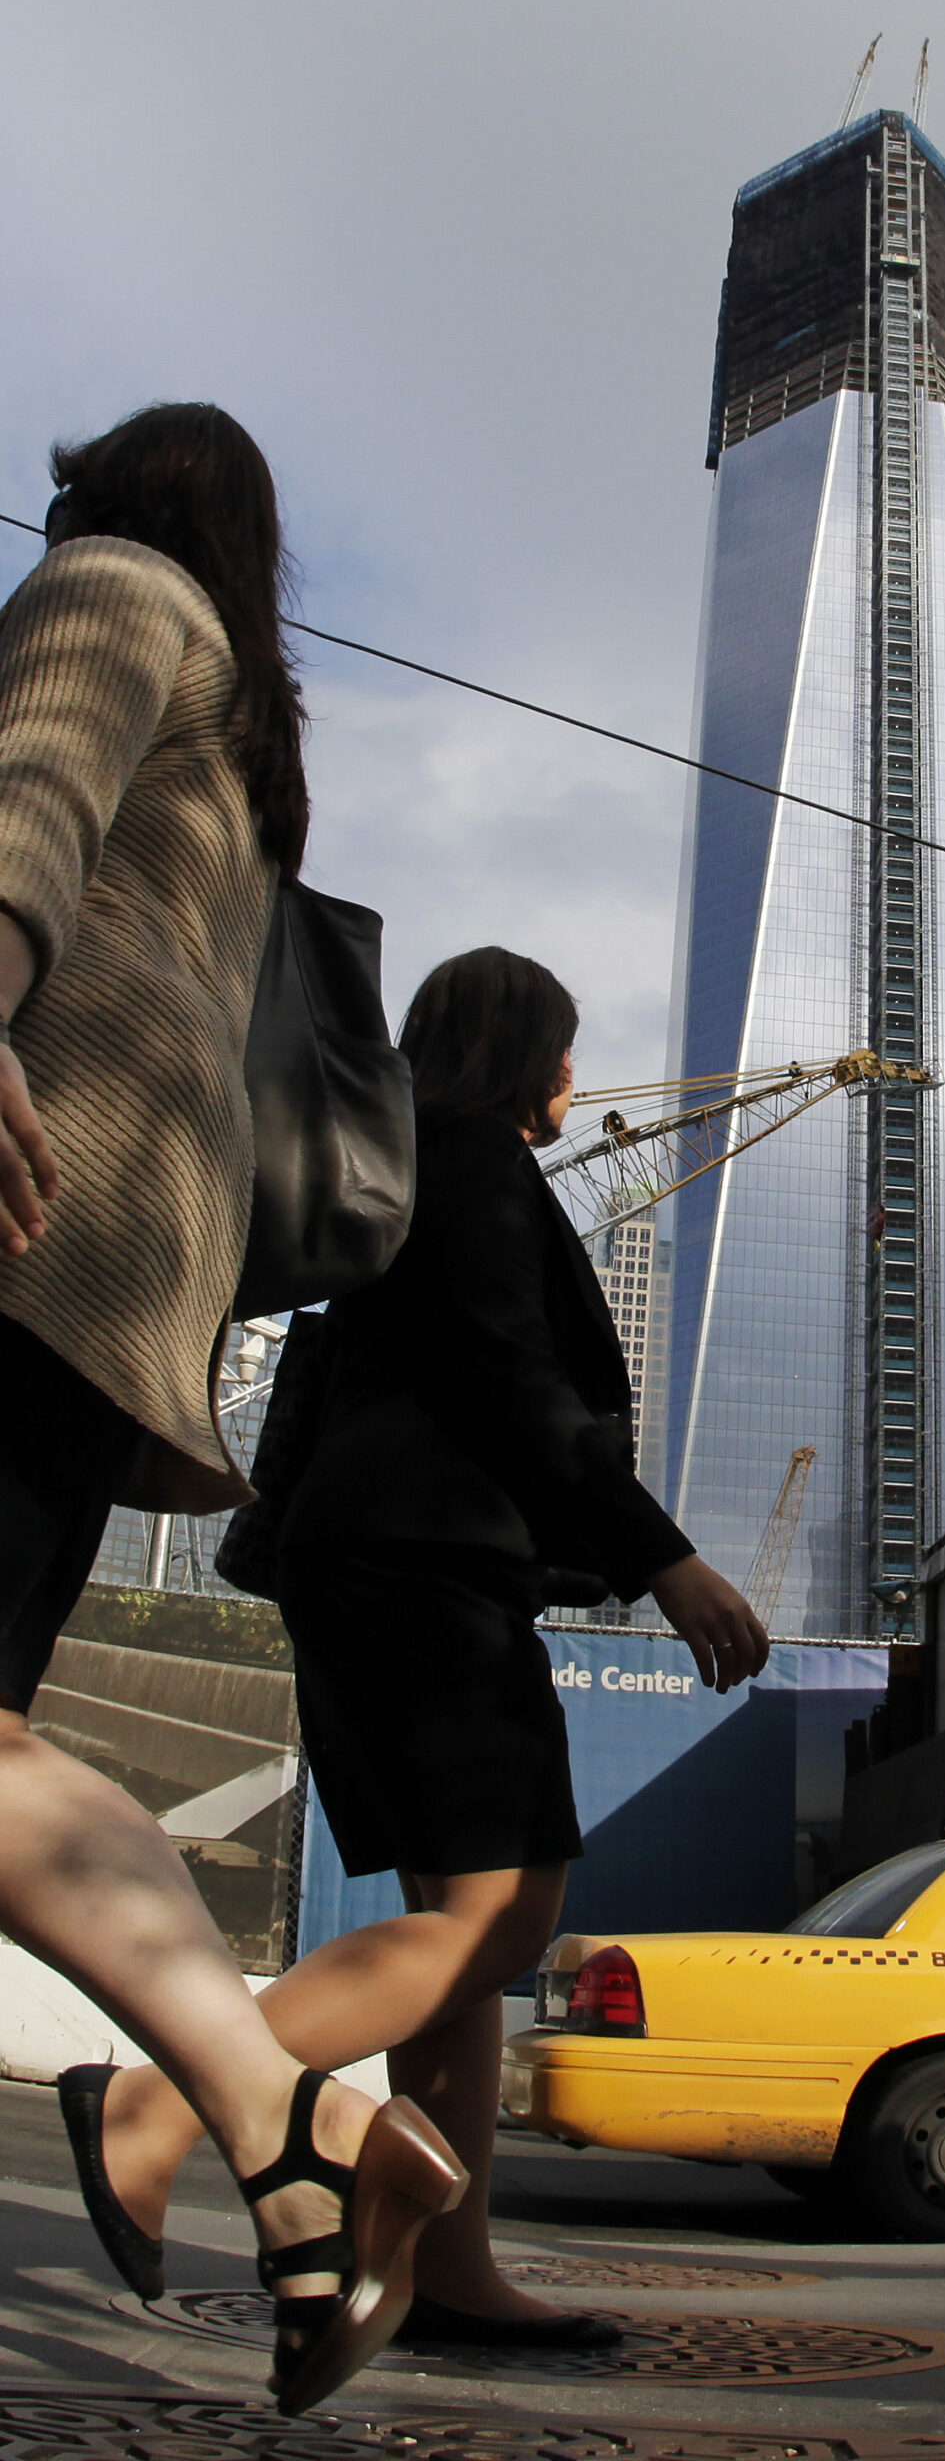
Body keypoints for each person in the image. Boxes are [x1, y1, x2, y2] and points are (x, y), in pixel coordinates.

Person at [84, 945, 770, 2347]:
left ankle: (443, 2273)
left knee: (452, 1937)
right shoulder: (464, 1162)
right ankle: (161, 2101)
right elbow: (508, 1380)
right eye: (565, 1050)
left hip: (378, 1557)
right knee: (506, 1909)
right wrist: (664, 1556)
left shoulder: (414, 1164)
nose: (578, 1078)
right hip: (425, 1559)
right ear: (522, 1055)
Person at [0, 402, 465, 2415]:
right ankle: (292, 2125)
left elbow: (22, 793)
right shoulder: (259, 776)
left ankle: (279, 2108)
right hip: (123, 1266)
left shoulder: (111, 589)